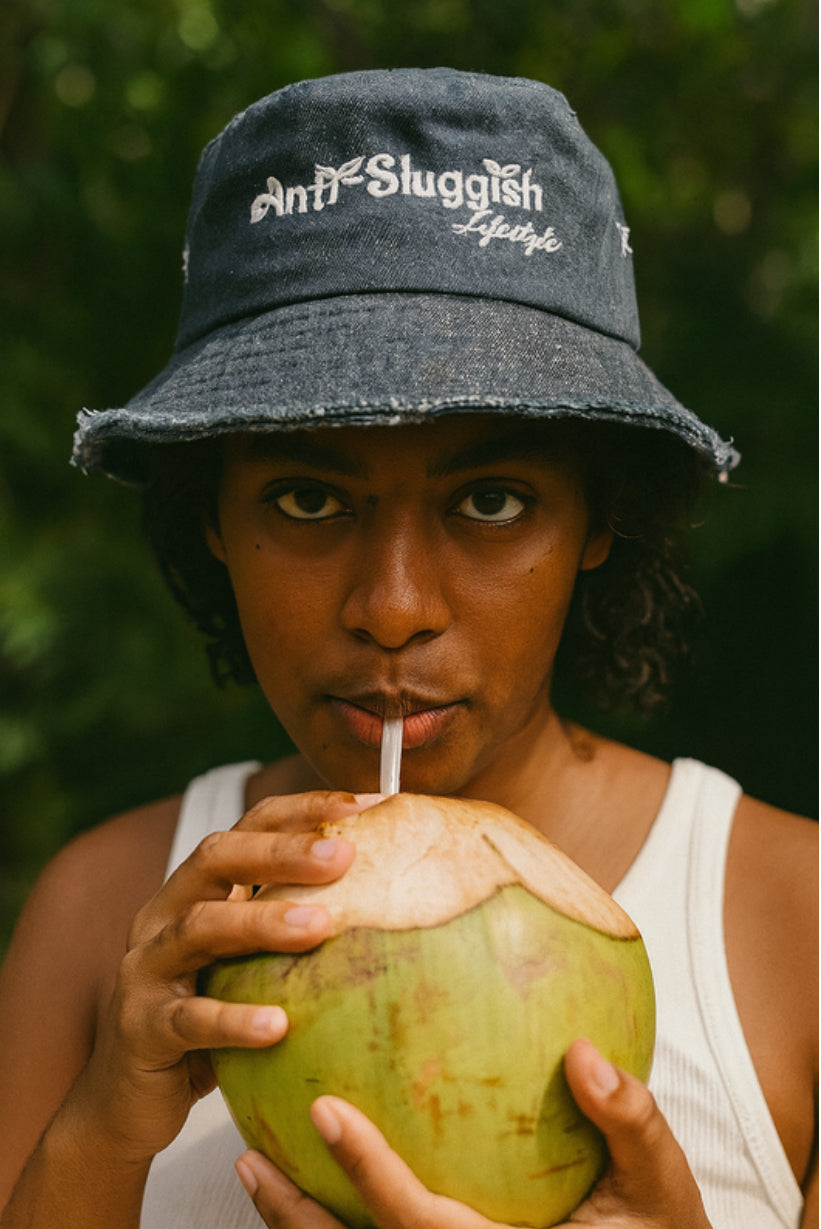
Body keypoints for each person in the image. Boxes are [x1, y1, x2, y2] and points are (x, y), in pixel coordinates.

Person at [0, 67, 815, 1229]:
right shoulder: (104, 917)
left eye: (488, 500)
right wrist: (97, 1129)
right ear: (210, 521)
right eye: (303, 498)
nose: (391, 607)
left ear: (598, 518)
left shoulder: (796, 921)